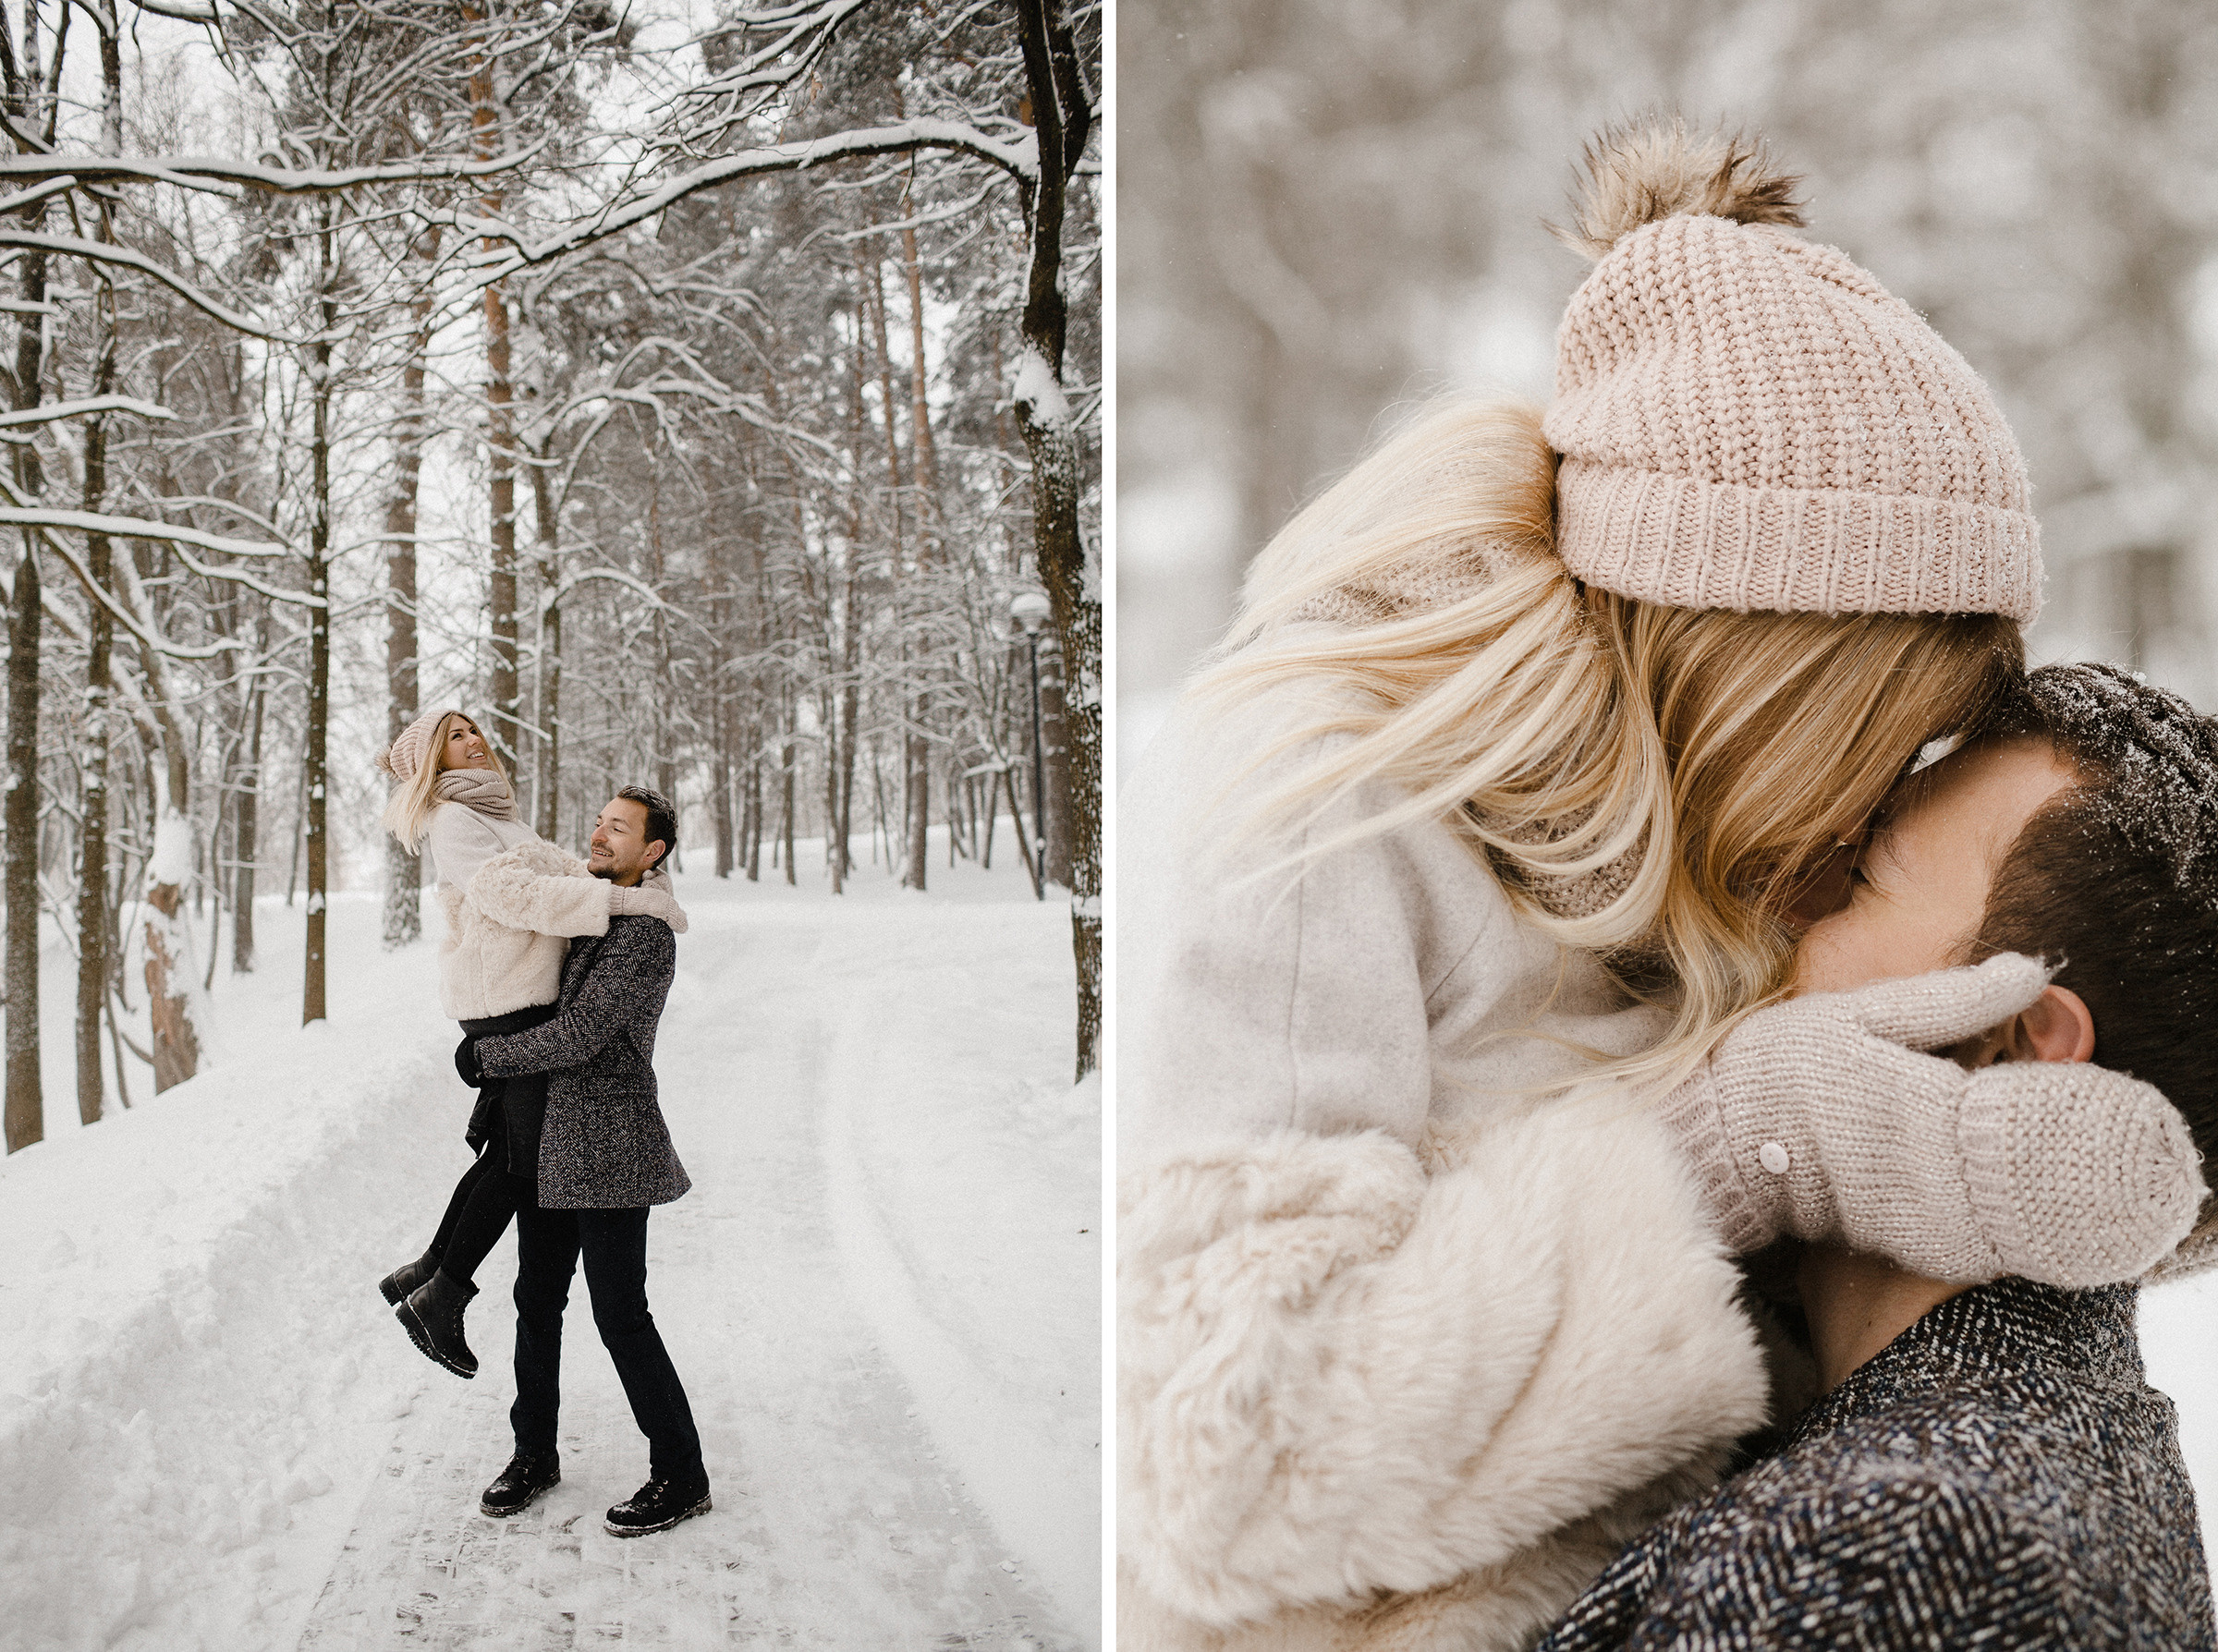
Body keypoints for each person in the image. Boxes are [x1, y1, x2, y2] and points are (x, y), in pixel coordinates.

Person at [1115, 121, 2204, 1650]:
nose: (1855, 826)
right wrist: (1747, 1137)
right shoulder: (1327, 808)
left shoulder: (1696, 836)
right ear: (1754, 672)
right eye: (1870, 743)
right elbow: (1231, 1455)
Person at [1537, 662, 2218, 1651]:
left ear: (2014, 1042)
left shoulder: (1899, 1549)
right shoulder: (2062, 1430)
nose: (1783, 898)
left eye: (1858, 880)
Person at [374, 711, 684, 1379]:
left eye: (473, 729)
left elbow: (570, 872)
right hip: (503, 1001)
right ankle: (441, 1295)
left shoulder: (496, 813)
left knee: (508, 1154)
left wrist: (644, 885)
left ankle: (430, 1274)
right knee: (516, 1165)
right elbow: (517, 894)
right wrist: (639, 906)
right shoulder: (454, 820)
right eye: (454, 737)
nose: (474, 740)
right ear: (435, 760)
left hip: (524, 997)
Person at [460, 786, 710, 1540]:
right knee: (536, 1303)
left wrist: (489, 1055)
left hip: (606, 1144)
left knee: (620, 1314)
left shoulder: (644, 937)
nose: (600, 835)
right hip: (545, 1138)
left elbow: (579, 1033)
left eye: (620, 829)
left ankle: (682, 1473)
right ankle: (533, 1455)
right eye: (598, 821)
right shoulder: (584, 903)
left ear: (654, 851)